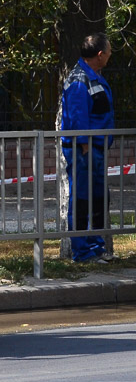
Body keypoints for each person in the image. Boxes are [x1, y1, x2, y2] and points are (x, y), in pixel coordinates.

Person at [60, 32, 115, 262]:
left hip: (96, 149)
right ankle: (82, 251)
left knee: (98, 198)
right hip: (84, 150)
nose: (111, 54)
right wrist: (83, 144)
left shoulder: (92, 76)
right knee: (82, 198)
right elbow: (77, 115)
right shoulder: (79, 79)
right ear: (100, 55)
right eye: (109, 51)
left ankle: (96, 246)